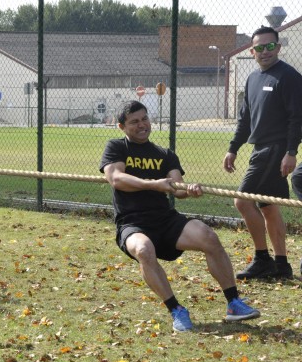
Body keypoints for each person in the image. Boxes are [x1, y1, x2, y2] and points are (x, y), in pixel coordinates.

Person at [100, 100, 260, 332]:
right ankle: (176, 310)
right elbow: (116, 179)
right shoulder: (117, 147)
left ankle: (234, 303)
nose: (142, 124)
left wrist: (189, 190)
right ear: (121, 127)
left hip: (165, 220)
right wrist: (154, 184)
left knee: (208, 237)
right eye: (134, 122)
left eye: (144, 119)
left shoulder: (164, 154)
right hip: (132, 223)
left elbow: (178, 188)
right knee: (144, 250)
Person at [223, 26, 302, 280]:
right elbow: (245, 119)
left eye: (270, 46)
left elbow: (296, 118)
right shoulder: (252, 79)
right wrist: (233, 149)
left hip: (275, 150)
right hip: (259, 149)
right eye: (259, 47)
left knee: (242, 201)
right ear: (252, 51)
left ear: (278, 48)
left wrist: (291, 151)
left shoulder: (289, 77)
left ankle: (262, 259)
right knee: (267, 206)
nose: (265, 51)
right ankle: (282, 265)